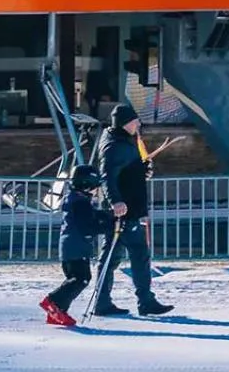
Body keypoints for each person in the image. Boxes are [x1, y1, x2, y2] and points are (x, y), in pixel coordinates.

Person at [91, 103, 173, 317]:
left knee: (111, 257)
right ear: (125, 123)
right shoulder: (113, 145)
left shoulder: (122, 140)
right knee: (138, 254)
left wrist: (141, 171)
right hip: (123, 211)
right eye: (135, 121)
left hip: (127, 208)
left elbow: (126, 170)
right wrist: (115, 201)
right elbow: (107, 176)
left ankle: (103, 301)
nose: (138, 124)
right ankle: (145, 301)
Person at [38, 165, 113, 327]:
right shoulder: (80, 203)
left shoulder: (77, 199)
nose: (97, 191)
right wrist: (109, 227)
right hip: (75, 247)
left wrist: (108, 216)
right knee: (81, 279)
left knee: (75, 279)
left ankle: (58, 311)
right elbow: (88, 226)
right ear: (87, 185)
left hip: (71, 247)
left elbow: (92, 215)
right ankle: (53, 301)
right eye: (95, 187)